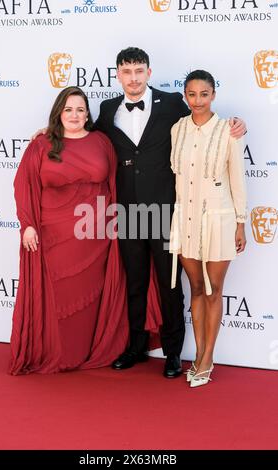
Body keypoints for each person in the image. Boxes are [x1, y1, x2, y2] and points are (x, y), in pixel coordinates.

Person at [33, 47, 246, 378]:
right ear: (118, 74)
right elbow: (81, 133)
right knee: (134, 281)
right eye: (126, 72)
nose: (133, 78)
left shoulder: (174, 102)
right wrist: (47, 135)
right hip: (127, 212)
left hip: (167, 211)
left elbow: (203, 121)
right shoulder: (105, 109)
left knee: (169, 284)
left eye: (139, 71)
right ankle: (136, 346)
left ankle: (174, 354)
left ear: (148, 72)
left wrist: (236, 126)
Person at [9, 86, 128, 375]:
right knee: (60, 295)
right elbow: (24, 186)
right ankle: (57, 353)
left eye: (80, 109)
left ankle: (87, 351)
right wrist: (27, 225)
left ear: (88, 114)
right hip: (54, 234)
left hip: (96, 234)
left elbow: (113, 185)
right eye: (68, 109)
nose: (74, 115)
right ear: (58, 113)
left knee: (91, 296)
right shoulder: (41, 145)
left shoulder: (102, 142)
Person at [170, 70, 247, 387]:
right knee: (197, 290)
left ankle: (207, 358)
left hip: (219, 219)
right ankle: (199, 353)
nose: (198, 100)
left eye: (204, 94)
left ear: (213, 94)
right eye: (191, 94)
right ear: (185, 96)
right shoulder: (178, 129)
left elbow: (237, 179)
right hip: (185, 219)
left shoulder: (229, 130)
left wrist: (241, 223)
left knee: (213, 291)